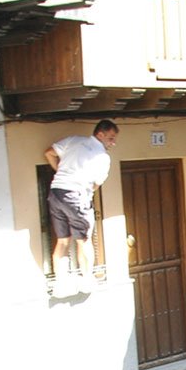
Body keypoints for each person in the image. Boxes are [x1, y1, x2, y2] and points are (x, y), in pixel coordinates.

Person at [45, 119, 119, 295]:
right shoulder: (102, 156)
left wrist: (60, 172)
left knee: (62, 241)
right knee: (83, 240)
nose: (113, 143)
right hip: (77, 195)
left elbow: (49, 153)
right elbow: (95, 184)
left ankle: (60, 285)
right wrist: (82, 190)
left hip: (56, 192)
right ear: (100, 134)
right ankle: (87, 281)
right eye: (111, 138)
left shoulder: (73, 140)